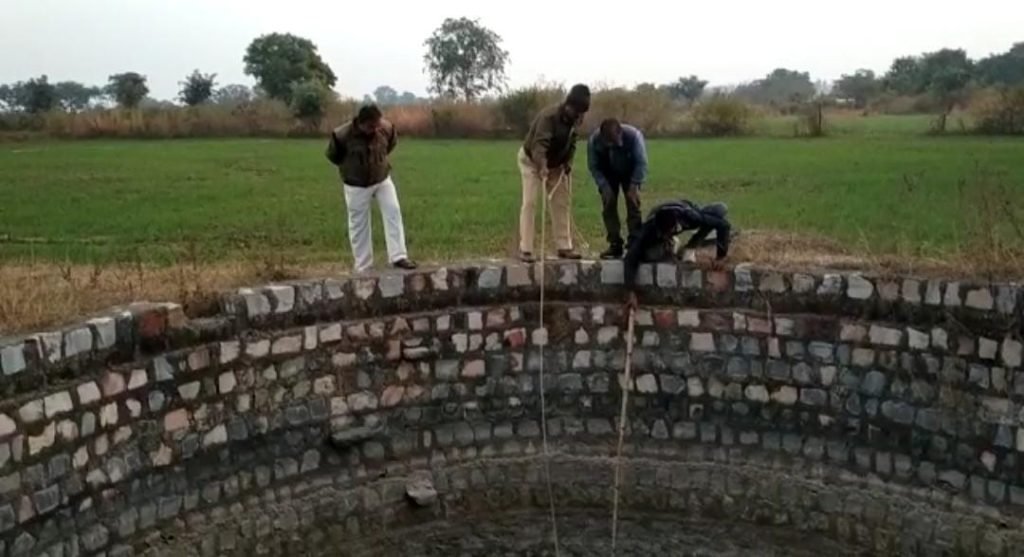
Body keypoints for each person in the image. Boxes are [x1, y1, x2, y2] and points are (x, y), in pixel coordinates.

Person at [326, 104, 417, 272]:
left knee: (393, 211)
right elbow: (333, 156)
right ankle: (363, 266)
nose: (375, 129)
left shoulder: (386, 128)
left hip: (382, 178)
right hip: (356, 184)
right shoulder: (341, 135)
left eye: (377, 125)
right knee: (359, 224)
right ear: (360, 123)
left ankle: (398, 257)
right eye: (370, 126)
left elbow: (390, 144)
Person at [517, 84, 592, 263]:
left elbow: (573, 143)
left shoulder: (576, 119)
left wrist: (568, 163)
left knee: (562, 202)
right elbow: (539, 146)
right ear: (568, 105)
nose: (579, 117)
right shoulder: (548, 117)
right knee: (530, 203)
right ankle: (525, 249)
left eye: (582, 113)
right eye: (577, 112)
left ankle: (564, 246)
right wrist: (542, 166)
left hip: (557, 164)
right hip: (532, 161)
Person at [624, 200, 732, 308]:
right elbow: (630, 258)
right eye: (666, 235)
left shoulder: (690, 217)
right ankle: (670, 247)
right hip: (656, 231)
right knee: (652, 255)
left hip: (687, 209)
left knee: (720, 210)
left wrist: (720, 256)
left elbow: (724, 225)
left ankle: (690, 246)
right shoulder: (648, 231)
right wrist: (630, 292)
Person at [587, 118, 648, 259]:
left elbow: (641, 163)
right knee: (608, 204)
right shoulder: (594, 141)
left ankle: (634, 243)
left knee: (633, 204)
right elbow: (594, 166)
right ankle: (615, 244)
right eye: (607, 144)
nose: (611, 146)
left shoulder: (634, 137)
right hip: (608, 174)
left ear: (620, 133)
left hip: (630, 173)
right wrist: (603, 186)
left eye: (614, 143)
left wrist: (634, 185)